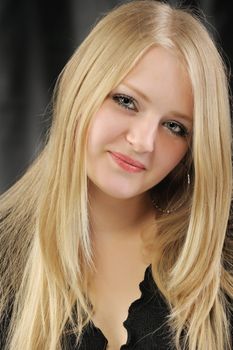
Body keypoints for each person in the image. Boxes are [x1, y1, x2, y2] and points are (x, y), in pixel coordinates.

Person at [0, 0, 232, 349]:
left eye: (174, 126)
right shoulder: (6, 253)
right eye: (126, 101)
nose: (142, 142)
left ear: (193, 150)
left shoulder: (221, 269)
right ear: (81, 91)